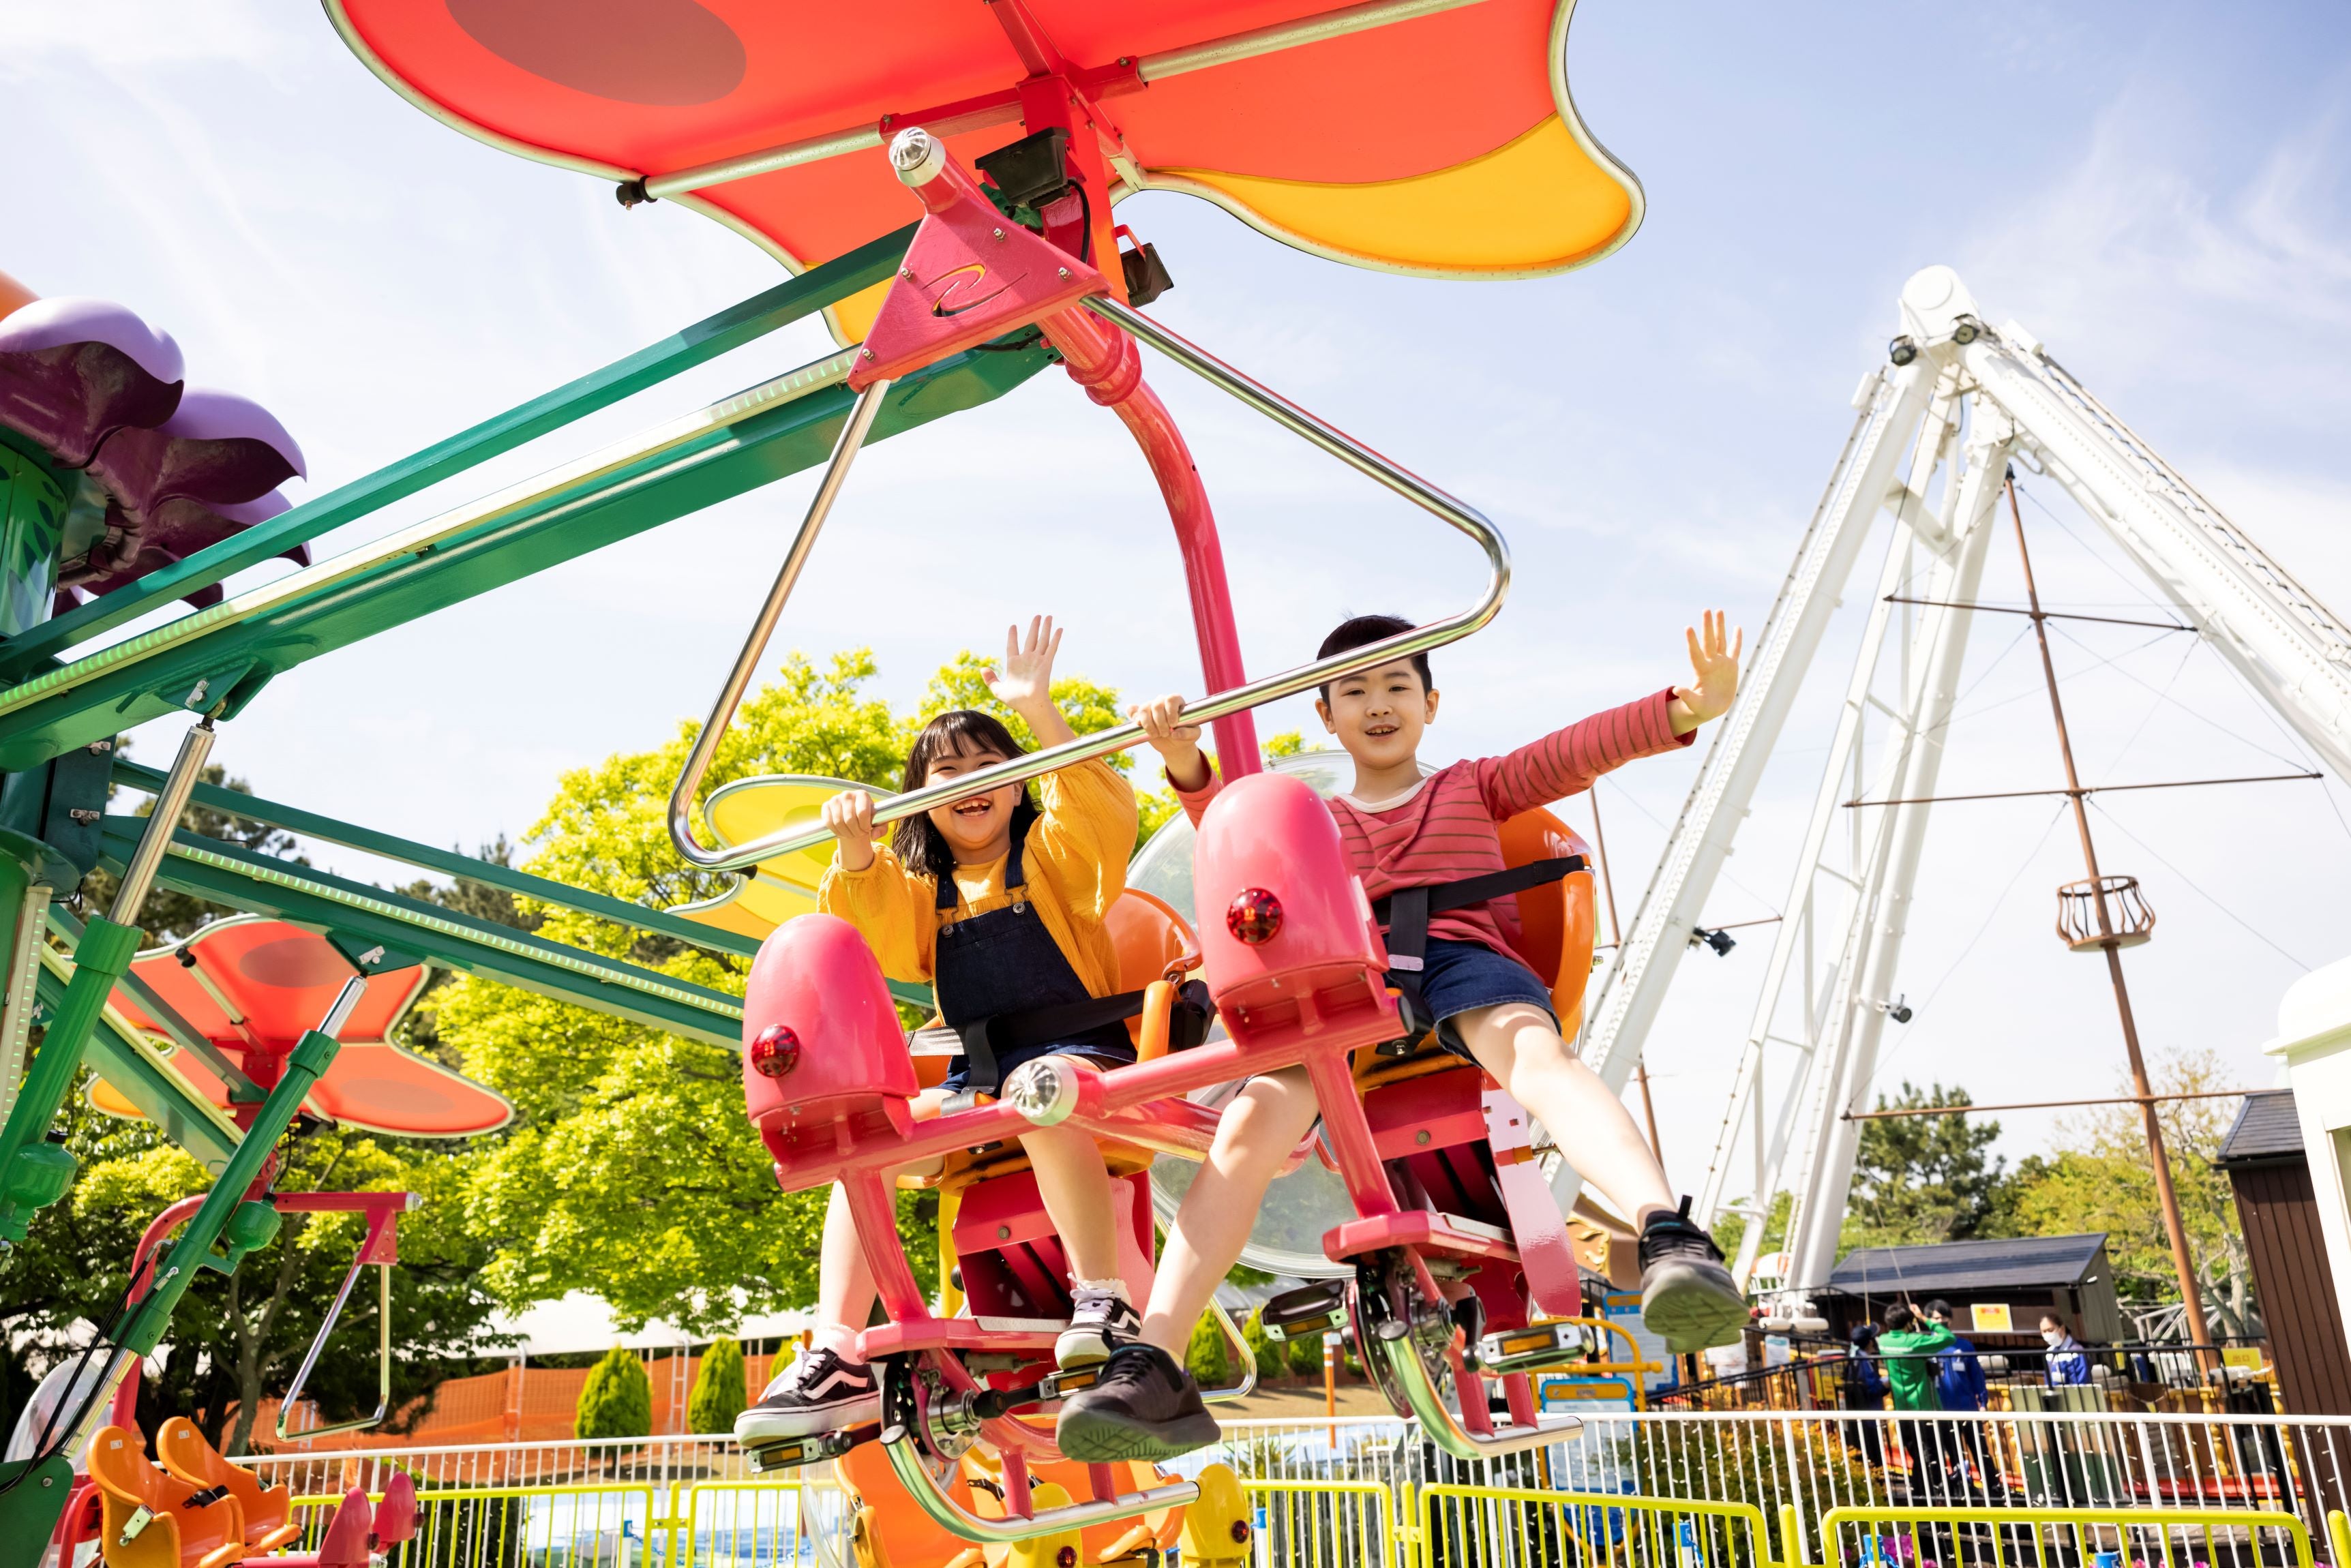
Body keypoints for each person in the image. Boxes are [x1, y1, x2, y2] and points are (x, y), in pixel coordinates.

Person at [1054, 609, 1750, 1461]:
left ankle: (1668, 1230)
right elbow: (1238, 833)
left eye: (1395, 686)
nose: (1377, 704)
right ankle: (1157, 1357)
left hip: (1460, 963)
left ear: (1429, 701)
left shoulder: (1471, 785)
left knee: (1532, 1048)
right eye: (1355, 690)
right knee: (1249, 1119)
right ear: (1325, 714)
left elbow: (1571, 752)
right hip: (1344, 982)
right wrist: (1186, 764)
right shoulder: (1312, 818)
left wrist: (1683, 707)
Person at [737, 618, 1144, 1445]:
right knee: (870, 1147)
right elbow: (878, 939)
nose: (969, 780)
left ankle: (1103, 1293)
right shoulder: (926, 891)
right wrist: (857, 855)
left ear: (1022, 780)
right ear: (921, 795)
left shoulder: (1054, 861)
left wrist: (1041, 714)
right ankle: (841, 1346)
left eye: (990, 763)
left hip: (1079, 1056)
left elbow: (1101, 812)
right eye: (946, 769)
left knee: (1042, 1093)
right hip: (981, 1079)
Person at [1877, 1303, 1955, 1500]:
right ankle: (1936, 1499)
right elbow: (1948, 1337)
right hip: (1925, 1410)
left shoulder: (1884, 1341)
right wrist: (1923, 1318)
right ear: (1908, 1323)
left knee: (1917, 1459)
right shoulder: (1914, 1341)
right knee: (1933, 1459)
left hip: (1902, 1411)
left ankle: (1920, 1496)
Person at [1926, 1299, 1997, 1499]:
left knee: (1981, 1453)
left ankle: (1994, 1492)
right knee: (1954, 1456)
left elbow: (1977, 1376)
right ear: (1929, 1321)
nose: (1941, 1322)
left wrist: (1982, 1403)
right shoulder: (1925, 1346)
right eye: (1936, 1318)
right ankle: (1965, 1494)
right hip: (1942, 1412)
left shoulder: (1964, 1345)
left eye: (1944, 1318)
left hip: (1968, 1408)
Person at [2040, 1312, 2092, 1387]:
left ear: (2062, 1329)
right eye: (2044, 1331)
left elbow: (2081, 1383)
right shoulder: (2050, 1352)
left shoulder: (2076, 1352)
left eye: (2050, 1330)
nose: (2047, 1334)